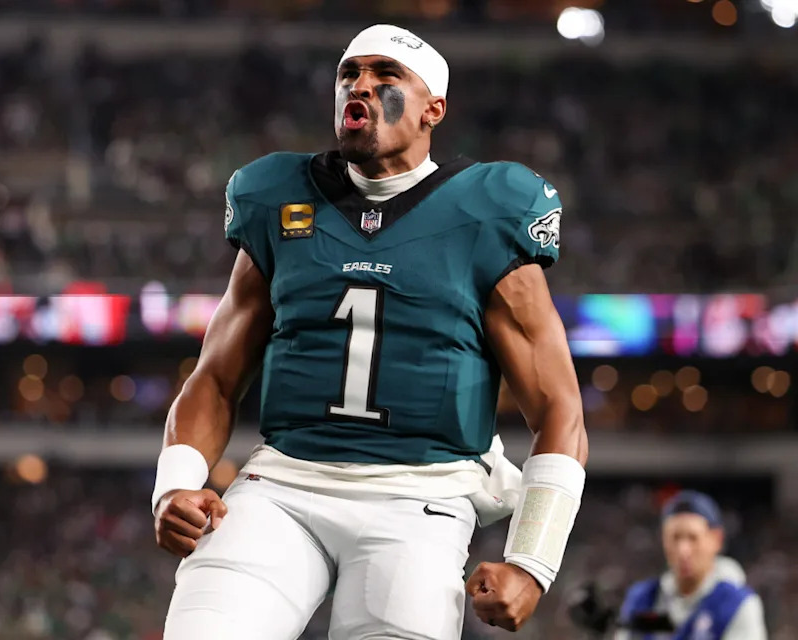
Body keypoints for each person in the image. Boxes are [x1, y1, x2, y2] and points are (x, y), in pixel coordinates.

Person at [152, 23, 589, 639]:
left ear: (433, 109)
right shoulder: (277, 198)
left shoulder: (488, 210)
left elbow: (558, 408)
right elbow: (217, 377)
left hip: (421, 497)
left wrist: (532, 562)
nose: (360, 86)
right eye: (348, 74)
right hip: (282, 484)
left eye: (387, 77)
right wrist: (174, 486)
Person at [617, 491, 767, 640]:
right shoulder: (645, 600)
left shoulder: (736, 605)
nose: (683, 550)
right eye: (675, 538)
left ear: (716, 539)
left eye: (693, 538)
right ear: (663, 540)